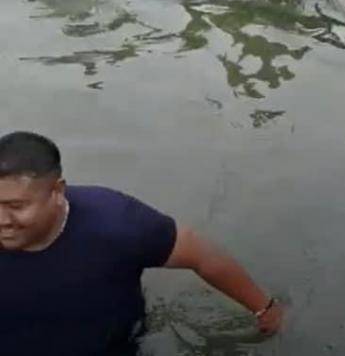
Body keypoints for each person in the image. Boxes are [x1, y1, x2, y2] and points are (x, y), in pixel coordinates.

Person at [0, 131, 283, 356]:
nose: (2, 219)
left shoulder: (117, 224)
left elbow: (199, 254)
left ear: (56, 191)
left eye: (15, 205)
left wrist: (264, 308)